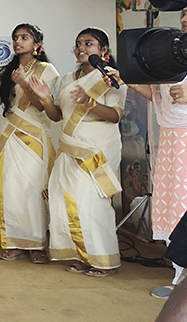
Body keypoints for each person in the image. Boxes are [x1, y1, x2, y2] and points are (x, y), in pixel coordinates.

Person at [109, 6, 187, 292]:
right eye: (183, 14)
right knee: (176, 204)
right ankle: (181, 276)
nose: (184, 19)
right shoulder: (173, 51)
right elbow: (157, 95)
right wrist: (127, 80)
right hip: (173, 143)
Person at [31, 27, 126, 277]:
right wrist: (44, 99)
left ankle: (104, 260)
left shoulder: (112, 77)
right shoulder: (67, 79)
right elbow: (57, 116)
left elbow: (115, 116)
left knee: (91, 204)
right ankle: (82, 255)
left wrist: (90, 102)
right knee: (65, 203)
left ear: (103, 50)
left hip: (96, 147)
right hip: (68, 147)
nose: (81, 48)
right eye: (78, 44)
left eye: (89, 43)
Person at [0, 24, 59, 264]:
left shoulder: (47, 70)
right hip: (11, 136)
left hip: (34, 138)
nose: (18, 42)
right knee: (10, 190)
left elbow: (41, 106)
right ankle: (15, 242)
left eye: (24, 38)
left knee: (34, 191)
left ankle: (37, 244)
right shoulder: (8, 71)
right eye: (16, 38)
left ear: (37, 43)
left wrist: (25, 83)